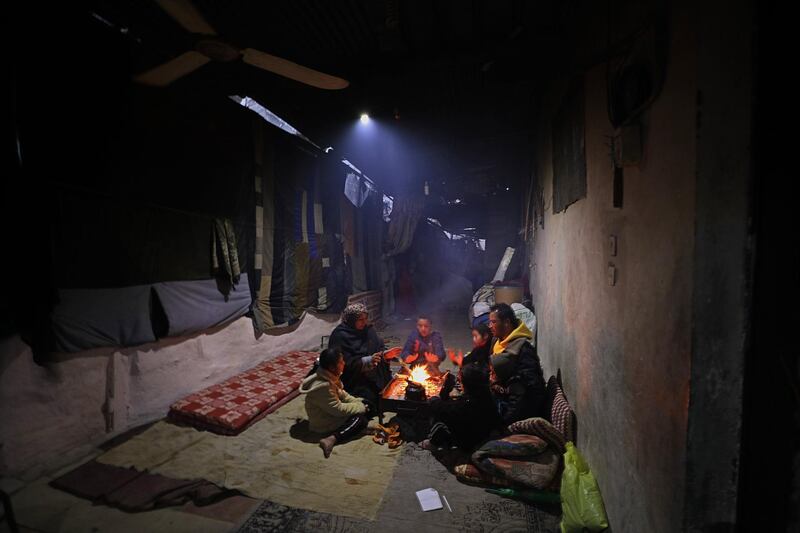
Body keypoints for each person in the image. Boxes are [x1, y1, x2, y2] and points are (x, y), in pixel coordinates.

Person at [300, 348, 369, 458]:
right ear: (332, 367)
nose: (344, 363)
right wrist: (360, 407)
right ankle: (331, 439)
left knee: (367, 403)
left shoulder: (328, 375)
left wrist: (359, 402)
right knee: (360, 419)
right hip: (323, 422)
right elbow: (338, 409)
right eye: (341, 362)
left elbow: (343, 394)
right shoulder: (322, 386)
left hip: (329, 412)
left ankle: (355, 427)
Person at [487, 303, 546, 424]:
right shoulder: (497, 341)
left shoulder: (523, 349)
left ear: (507, 322)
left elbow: (532, 387)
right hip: (500, 395)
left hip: (515, 407)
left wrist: (506, 423)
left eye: (493, 322)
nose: (490, 326)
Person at [422, 364, 503, 451]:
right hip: (482, 434)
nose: (459, 383)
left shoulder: (468, 404)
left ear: (468, 384)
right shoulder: (487, 397)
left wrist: (435, 398)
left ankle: (432, 444)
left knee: (440, 424)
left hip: (468, 442)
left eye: (460, 381)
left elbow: (443, 409)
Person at [327, 303, 393, 409]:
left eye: (365, 318)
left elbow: (378, 346)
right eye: (360, 320)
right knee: (371, 401)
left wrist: (385, 354)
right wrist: (367, 361)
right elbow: (342, 363)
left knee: (389, 390)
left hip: (374, 373)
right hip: (354, 378)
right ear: (351, 320)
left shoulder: (368, 330)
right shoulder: (340, 336)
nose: (364, 322)